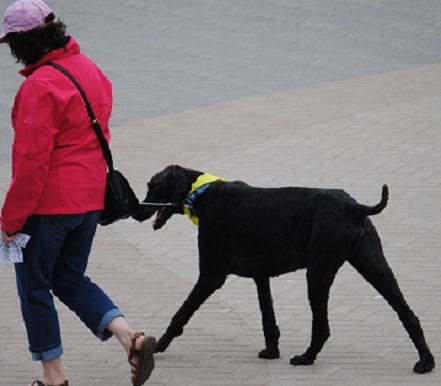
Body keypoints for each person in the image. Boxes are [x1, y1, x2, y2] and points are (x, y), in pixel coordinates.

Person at [0, 1, 155, 385]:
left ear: (23, 42)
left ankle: (54, 379)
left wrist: (9, 221)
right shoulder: (90, 69)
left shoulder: (38, 87)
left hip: (48, 207)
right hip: (90, 200)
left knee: (35, 285)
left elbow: (31, 163)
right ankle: (129, 338)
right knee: (69, 277)